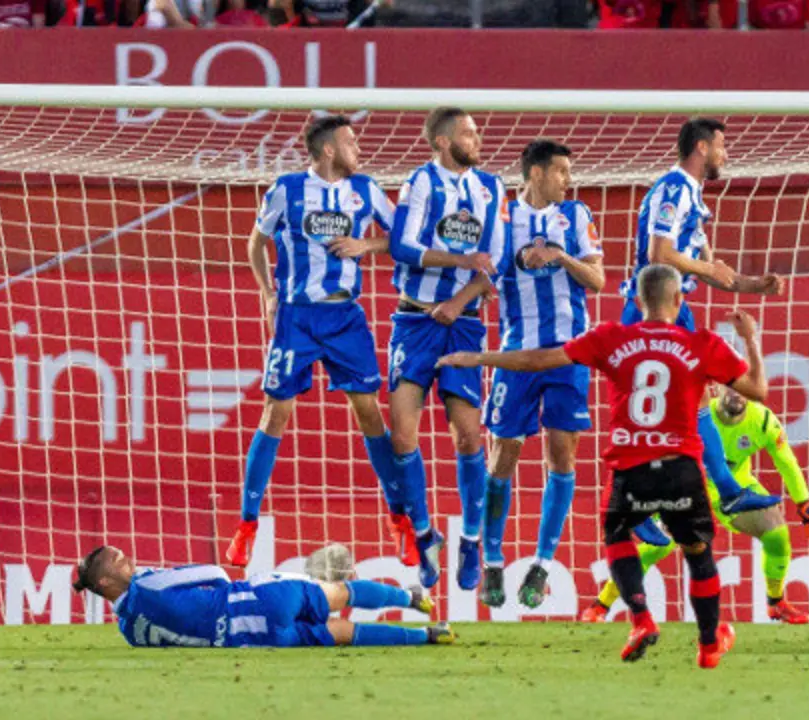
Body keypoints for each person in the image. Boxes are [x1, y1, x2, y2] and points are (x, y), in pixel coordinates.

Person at [438, 264, 765, 669]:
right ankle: (708, 645)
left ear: (639, 302)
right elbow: (757, 390)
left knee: (616, 535)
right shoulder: (701, 343)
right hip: (681, 468)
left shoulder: (612, 338)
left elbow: (539, 359)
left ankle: (641, 619)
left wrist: (480, 357)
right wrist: (750, 339)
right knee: (698, 553)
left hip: (631, 472)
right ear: (679, 302)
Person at [225, 115, 401, 570]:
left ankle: (399, 518)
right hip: (297, 317)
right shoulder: (287, 188)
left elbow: (402, 237)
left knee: (369, 412)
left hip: (345, 315)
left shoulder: (365, 189)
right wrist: (268, 295)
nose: (357, 148)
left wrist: (368, 248)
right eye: (350, 141)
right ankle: (246, 525)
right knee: (275, 411)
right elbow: (255, 243)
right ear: (327, 150)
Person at [621, 116, 783, 517]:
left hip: (676, 307)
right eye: (722, 147)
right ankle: (631, 503)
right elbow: (660, 254)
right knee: (651, 409)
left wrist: (755, 285)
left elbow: (714, 272)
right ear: (702, 148)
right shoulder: (674, 188)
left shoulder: (693, 199)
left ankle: (727, 490)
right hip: (652, 308)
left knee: (695, 403)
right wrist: (709, 270)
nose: (726, 156)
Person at [581, 388, 809, 625]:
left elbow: (788, 464)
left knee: (777, 533)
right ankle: (600, 605)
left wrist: (807, 510)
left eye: (743, 388)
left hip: (736, 492)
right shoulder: (697, 417)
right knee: (654, 549)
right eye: (732, 386)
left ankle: (776, 603)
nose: (738, 394)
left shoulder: (762, 421)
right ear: (718, 387)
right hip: (690, 492)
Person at [478, 139, 606, 609]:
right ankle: (492, 562)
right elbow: (485, 271)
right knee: (503, 454)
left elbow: (597, 280)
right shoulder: (503, 219)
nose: (567, 180)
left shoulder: (576, 216)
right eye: (559, 172)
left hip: (569, 353)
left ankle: (542, 565)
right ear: (534, 173)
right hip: (517, 351)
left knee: (561, 454)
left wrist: (560, 256)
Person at [386, 106, 508, 590]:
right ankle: (423, 536)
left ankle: (471, 539)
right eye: (467, 133)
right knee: (402, 434)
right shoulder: (420, 183)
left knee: (467, 435)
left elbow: (494, 259)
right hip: (414, 319)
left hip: (462, 323)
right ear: (441, 141)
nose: (477, 139)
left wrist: (460, 299)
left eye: (477, 131)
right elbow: (401, 245)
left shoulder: (490, 188)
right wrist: (459, 259)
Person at [74, 545, 456, 648]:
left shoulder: (129, 631)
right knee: (340, 592)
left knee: (341, 633)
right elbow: (215, 574)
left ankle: (427, 636)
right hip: (258, 599)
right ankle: (409, 597)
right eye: (120, 561)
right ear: (106, 583)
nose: (129, 562)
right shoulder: (147, 585)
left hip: (250, 638)